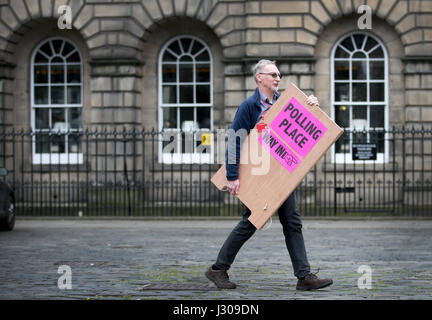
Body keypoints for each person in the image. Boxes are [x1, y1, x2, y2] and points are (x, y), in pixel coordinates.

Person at [205, 59, 333, 291]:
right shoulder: (249, 107)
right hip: (259, 175)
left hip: (282, 176)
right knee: (252, 222)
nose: (278, 78)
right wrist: (232, 176)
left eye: (279, 75)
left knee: (292, 222)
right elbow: (236, 139)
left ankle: (304, 276)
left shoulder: (287, 104)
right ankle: (218, 269)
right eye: (273, 74)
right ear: (259, 78)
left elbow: (302, 130)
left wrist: (311, 105)